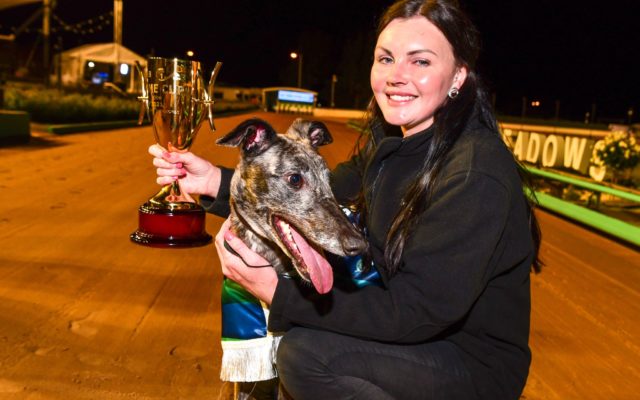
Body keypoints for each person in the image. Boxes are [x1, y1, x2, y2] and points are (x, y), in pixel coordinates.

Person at [150, 0, 542, 398]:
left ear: (458, 76)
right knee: (305, 318)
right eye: (385, 59)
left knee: (308, 355)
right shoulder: (386, 140)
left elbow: (417, 311)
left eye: (420, 62)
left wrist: (278, 293)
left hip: (466, 361)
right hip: (404, 319)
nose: (396, 76)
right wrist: (215, 182)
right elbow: (319, 199)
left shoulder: (476, 172)